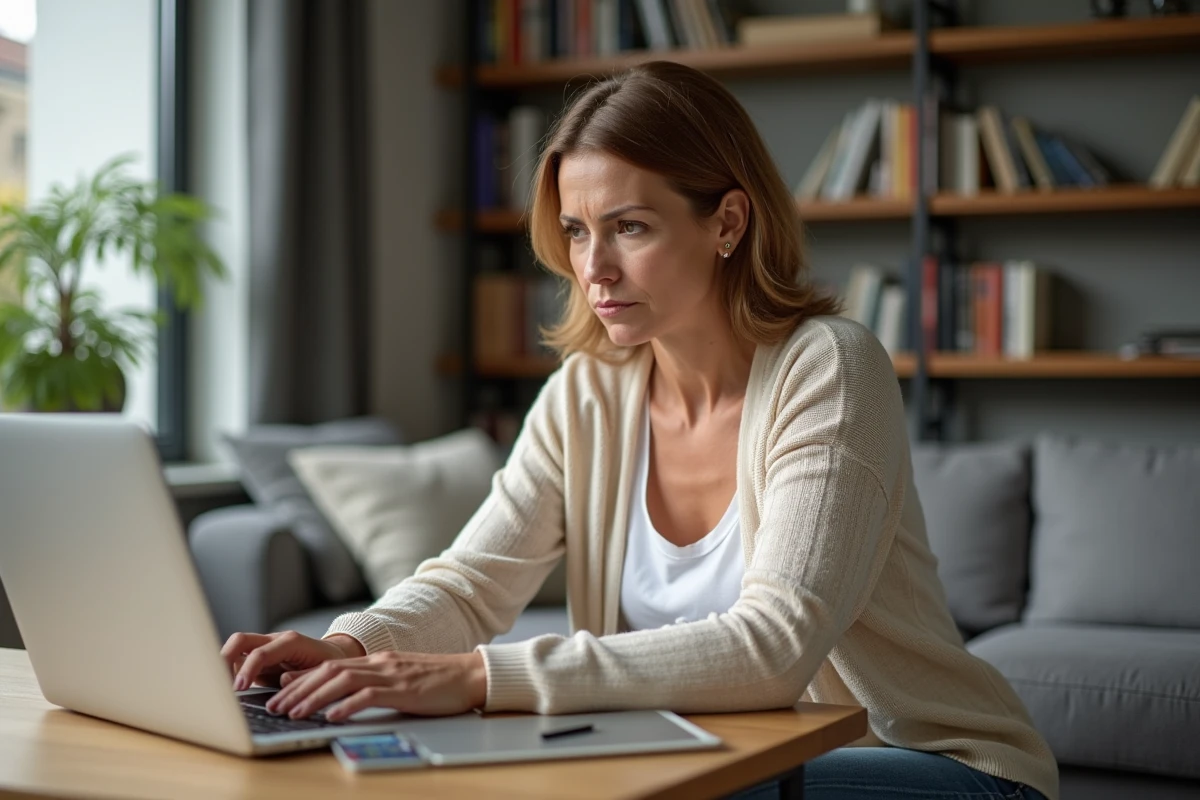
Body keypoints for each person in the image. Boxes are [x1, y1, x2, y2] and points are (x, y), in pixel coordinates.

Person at [223, 61, 1058, 800]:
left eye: (630, 227)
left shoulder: (830, 368)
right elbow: (475, 580)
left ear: (727, 223)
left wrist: (478, 679)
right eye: (579, 232)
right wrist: (346, 645)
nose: (594, 268)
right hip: (697, 749)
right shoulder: (587, 391)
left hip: (932, 761)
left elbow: (774, 648)